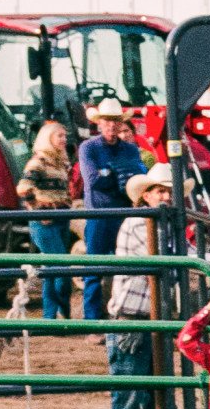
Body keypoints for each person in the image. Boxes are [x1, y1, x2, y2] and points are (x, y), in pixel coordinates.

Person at [103, 165, 184, 409]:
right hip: (133, 323)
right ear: (145, 195)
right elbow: (171, 262)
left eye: (168, 190)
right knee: (129, 407)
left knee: (155, 407)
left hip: (151, 323)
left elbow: (179, 260)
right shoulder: (140, 224)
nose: (165, 196)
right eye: (159, 190)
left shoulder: (163, 227)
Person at [73, 96, 144, 320]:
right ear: (99, 123)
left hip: (122, 214)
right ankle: (92, 320)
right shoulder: (88, 148)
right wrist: (120, 175)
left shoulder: (130, 149)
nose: (111, 125)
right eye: (107, 120)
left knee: (127, 267)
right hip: (100, 215)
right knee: (94, 269)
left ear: (121, 122)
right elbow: (93, 180)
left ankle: (121, 314)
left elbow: (137, 176)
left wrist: (111, 173)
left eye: (115, 120)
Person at [19, 117, 80, 320]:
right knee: (60, 268)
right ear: (48, 138)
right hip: (45, 221)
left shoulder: (61, 161)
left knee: (52, 270)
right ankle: (61, 313)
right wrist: (37, 209)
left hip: (61, 217)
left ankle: (51, 317)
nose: (64, 139)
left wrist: (68, 204)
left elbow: (64, 190)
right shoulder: (39, 162)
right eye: (59, 136)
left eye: (64, 135)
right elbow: (23, 188)